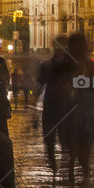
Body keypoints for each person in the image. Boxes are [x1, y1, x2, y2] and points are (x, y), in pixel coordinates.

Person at [62, 33, 94, 185]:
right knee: (75, 146)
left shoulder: (89, 66)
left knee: (83, 144)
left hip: (86, 111)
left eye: (83, 45)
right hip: (72, 110)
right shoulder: (66, 65)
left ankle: (82, 172)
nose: (82, 48)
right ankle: (77, 171)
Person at [38, 35, 70, 174]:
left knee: (65, 140)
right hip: (51, 106)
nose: (61, 47)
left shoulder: (71, 65)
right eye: (59, 44)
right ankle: (54, 165)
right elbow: (40, 83)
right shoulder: (46, 65)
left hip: (65, 108)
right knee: (49, 140)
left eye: (63, 44)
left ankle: (63, 167)